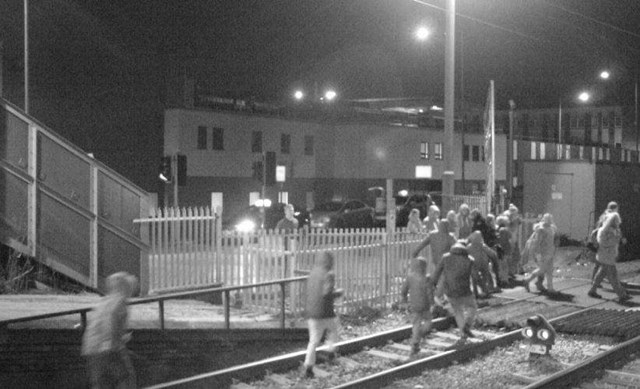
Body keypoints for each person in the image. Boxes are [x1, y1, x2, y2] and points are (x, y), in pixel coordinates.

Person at [82, 272, 138, 389]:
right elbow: (111, 320)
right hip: (108, 347)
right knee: (126, 377)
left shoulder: (104, 301)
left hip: (90, 348)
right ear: (125, 287)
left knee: (100, 383)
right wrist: (117, 342)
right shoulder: (121, 301)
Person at [302, 251, 344, 379]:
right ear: (329, 261)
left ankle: (308, 368)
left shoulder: (313, 273)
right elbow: (326, 293)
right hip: (325, 313)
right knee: (335, 330)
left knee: (313, 341)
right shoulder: (329, 274)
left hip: (311, 313)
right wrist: (338, 293)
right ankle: (330, 352)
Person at [432, 240, 478, 343]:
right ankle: (467, 325)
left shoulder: (445, 257)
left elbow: (436, 273)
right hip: (465, 290)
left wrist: (433, 285)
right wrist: (476, 291)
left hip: (450, 291)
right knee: (472, 307)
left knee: (458, 311)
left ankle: (463, 334)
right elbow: (475, 277)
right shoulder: (470, 259)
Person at [587, 212, 631, 303]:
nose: (618, 223)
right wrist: (618, 240)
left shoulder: (606, 229)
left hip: (604, 255)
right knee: (613, 276)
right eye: (617, 221)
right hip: (607, 256)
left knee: (602, 273)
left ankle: (593, 290)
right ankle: (621, 295)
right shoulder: (607, 231)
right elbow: (606, 243)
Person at [412, 219, 456, 303]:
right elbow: (456, 246)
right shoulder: (450, 236)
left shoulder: (433, 235)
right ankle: (438, 297)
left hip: (436, 261)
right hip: (446, 261)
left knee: (439, 279)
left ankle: (439, 297)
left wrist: (416, 252)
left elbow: (422, 244)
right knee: (444, 278)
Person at [400, 257, 434, 358]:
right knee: (428, 322)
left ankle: (415, 343)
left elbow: (403, 291)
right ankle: (420, 334)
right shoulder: (427, 278)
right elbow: (429, 293)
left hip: (414, 305)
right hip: (425, 306)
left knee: (416, 324)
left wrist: (404, 301)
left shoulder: (410, 277)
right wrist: (432, 303)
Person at [523, 213, 557, 293]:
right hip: (543, 252)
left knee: (549, 270)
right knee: (542, 269)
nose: (550, 220)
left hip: (550, 250)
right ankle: (527, 280)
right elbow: (537, 242)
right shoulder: (541, 229)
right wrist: (537, 253)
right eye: (548, 218)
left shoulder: (551, 228)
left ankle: (550, 287)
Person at [467, 231, 499, 298]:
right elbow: (492, 253)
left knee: (484, 276)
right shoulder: (469, 247)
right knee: (475, 277)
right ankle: (478, 292)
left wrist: (494, 257)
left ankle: (485, 290)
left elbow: (491, 253)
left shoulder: (482, 246)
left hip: (483, 263)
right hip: (474, 264)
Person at [496, 215, 513, 287]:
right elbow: (510, 237)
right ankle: (505, 279)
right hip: (506, 248)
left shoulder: (497, 230)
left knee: (500, 264)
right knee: (505, 265)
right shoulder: (506, 230)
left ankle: (500, 278)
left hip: (499, 249)